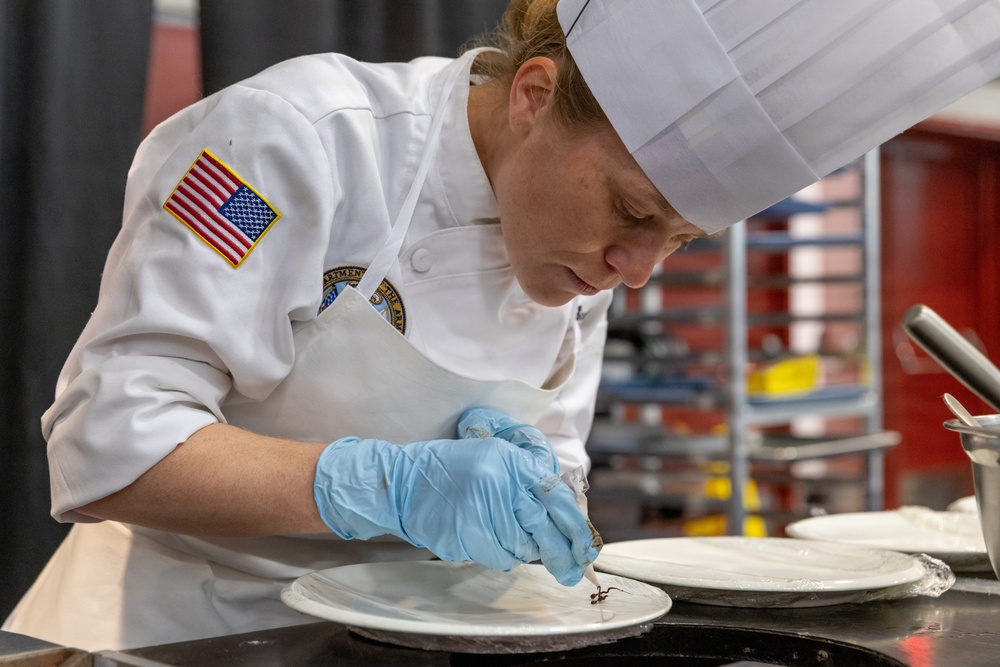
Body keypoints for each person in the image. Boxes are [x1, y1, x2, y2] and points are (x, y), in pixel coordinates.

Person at [5, 0, 999, 652]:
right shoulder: (288, 143)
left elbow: (553, 461)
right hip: (189, 637)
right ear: (532, 98)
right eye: (632, 211)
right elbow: (108, 448)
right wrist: (381, 484)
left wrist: (544, 503)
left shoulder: (586, 242)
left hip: (404, 644)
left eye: (677, 240)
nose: (636, 268)